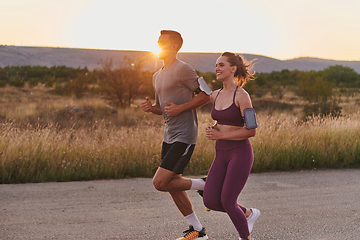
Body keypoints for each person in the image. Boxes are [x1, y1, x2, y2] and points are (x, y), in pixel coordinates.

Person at [141, 30, 211, 240]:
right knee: (173, 185)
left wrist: (181, 108)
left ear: (174, 47)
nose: (158, 44)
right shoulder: (157, 75)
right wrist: (151, 108)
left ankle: (204, 184)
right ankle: (198, 230)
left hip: (185, 135)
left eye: (162, 42)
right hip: (168, 136)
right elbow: (163, 108)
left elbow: (206, 94)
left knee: (160, 183)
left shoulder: (185, 69)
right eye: (158, 42)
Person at [202, 52, 261, 240]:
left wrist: (221, 134)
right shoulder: (215, 95)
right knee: (210, 200)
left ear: (233, 69)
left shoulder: (242, 96)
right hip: (221, 153)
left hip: (240, 153)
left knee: (228, 200)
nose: (217, 68)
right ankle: (248, 214)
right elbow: (223, 121)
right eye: (216, 65)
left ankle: (246, 237)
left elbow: (251, 130)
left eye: (221, 65)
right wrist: (216, 128)